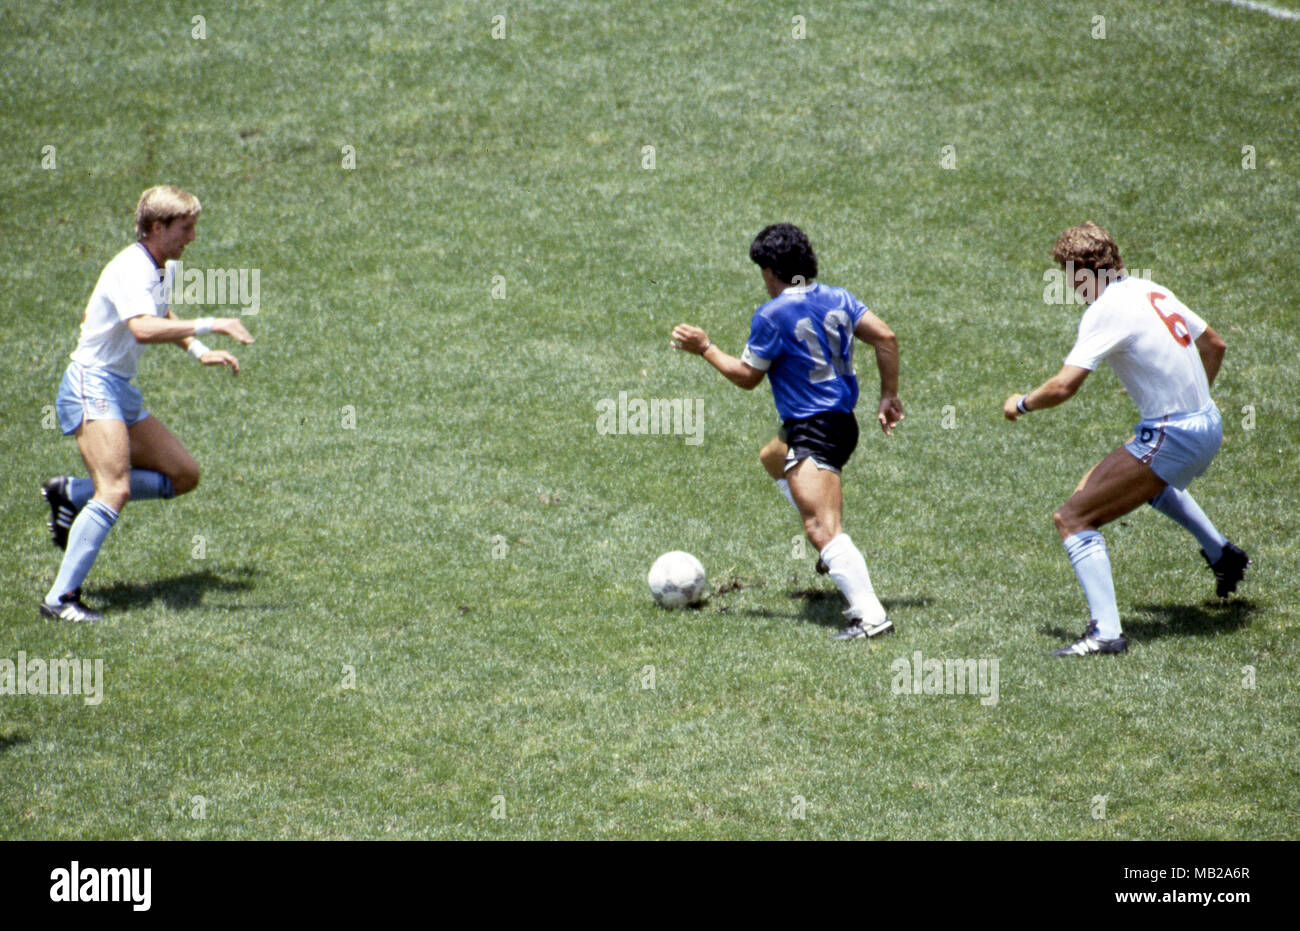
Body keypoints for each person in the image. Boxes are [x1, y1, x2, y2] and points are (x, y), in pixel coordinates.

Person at [1002, 222, 1248, 656]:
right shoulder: (1151, 290)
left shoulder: (1105, 309)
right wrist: (1190, 400)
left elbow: (1063, 386)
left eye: (1068, 276)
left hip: (1174, 434)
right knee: (1145, 482)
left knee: (1074, 518)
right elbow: (1215, 345)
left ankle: (1106, 634)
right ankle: (1222, 553)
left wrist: (1021, 403)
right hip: (1207, 422)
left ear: (1082, 273)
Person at [672, 223, 904, 640]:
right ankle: (833, 554)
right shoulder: (839, 298)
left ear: (773, 270)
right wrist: (889, 396)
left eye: (763, 270)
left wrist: (705, 348)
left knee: (822, 530)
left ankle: (871, 618)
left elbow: (746, 377)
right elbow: (885, 337)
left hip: (813, 428)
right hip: (840, 423)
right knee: (772, 457)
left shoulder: (772, 315)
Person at [39, 185, 253, 622]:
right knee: (114, 489)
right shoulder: (129, 267)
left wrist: (198, 350)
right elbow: (141, 327)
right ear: (157, 228)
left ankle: (71, 493)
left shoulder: (163, 266)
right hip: (91, 384)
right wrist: (214, 324)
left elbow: (162, 315)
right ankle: (59, 600)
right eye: (185, 228)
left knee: (183, 475)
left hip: (119, 389)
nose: (192, 237)